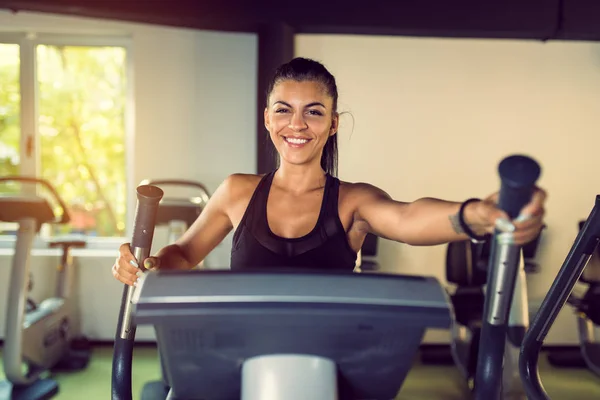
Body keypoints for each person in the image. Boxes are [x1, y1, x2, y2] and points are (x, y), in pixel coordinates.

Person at [112, 57, 547, 286]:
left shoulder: (352, 201)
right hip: (243, 345)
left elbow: (409, 216)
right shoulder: (238, 191)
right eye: (284, 111)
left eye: (314, 113)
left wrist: (476, 214)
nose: (297, 125)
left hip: (328, 357)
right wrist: (143, 264)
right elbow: (184, 256)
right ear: (267, 119)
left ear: (333, 123)